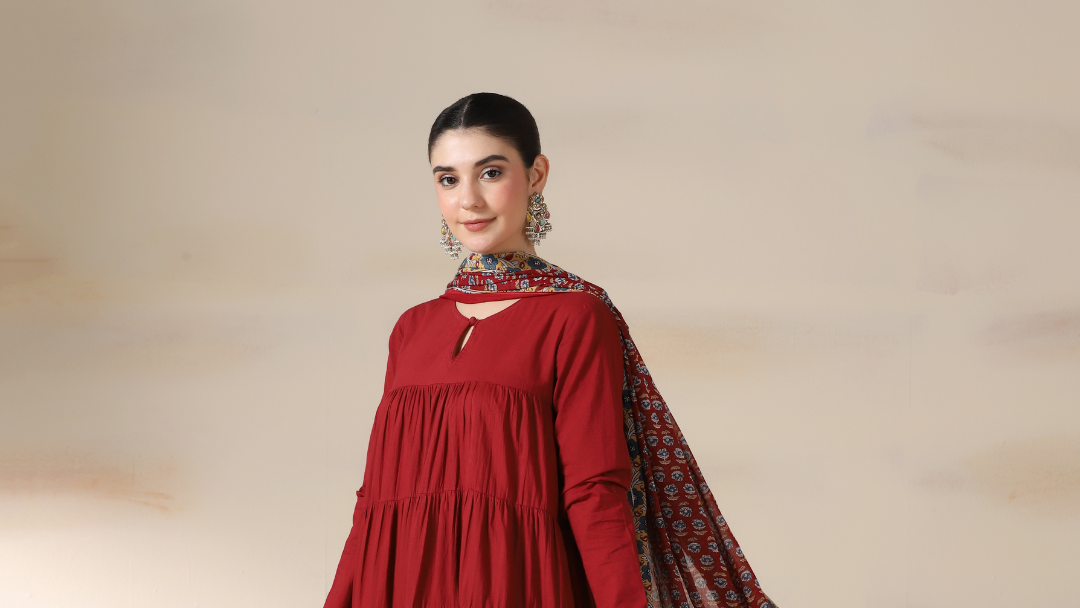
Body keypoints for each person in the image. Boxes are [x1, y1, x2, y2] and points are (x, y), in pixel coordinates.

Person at [324, 93, 777, 608]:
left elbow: (594, 490)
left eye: (490, 173)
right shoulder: (411, 329)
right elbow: (374, 502)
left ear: (536, 174)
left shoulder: (575, 317)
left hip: (514, 589)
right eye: (448, 179)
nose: (468, 200)